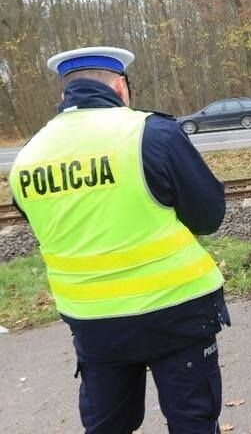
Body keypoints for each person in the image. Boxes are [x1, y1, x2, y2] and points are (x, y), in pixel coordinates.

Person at [9, 47, 230, 434]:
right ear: (120, 86)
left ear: (65, 94)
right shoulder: (151, 133)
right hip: (176, 313)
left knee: (108, 427)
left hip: (94, 324)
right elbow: (208, 216)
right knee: (193, 422)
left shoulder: (28, 156)